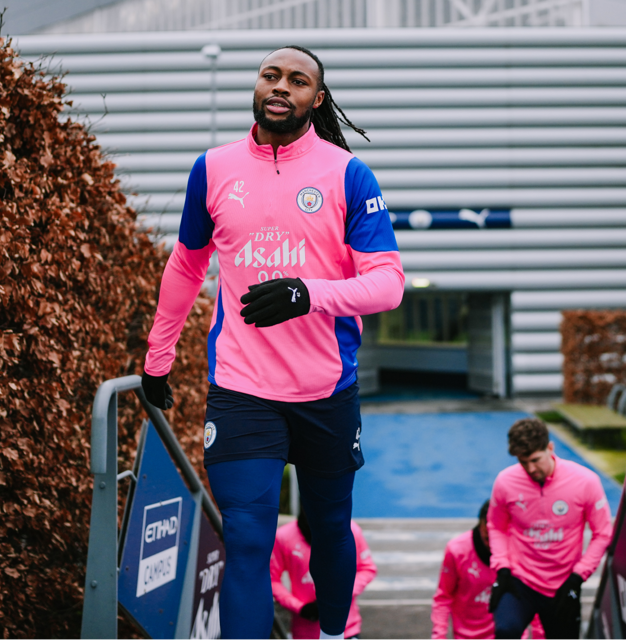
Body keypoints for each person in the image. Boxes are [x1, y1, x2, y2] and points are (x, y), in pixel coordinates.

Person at [140, 44, 403, 640]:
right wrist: (159, 357)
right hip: (241, 389)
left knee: (331, 529)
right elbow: (185, 267)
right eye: (272, 74)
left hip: (325, 388)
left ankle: (334, 635)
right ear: (258, 85)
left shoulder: (347, 174)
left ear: (317, 98)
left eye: (299, 80)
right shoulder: (213, 168)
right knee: (248, 538)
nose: (282, 85)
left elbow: (388, 283)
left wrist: (308, 294)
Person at [487, 418, 612, 640]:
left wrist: (578, 577)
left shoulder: (585, 481)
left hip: (563, 583)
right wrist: (502, 567)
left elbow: (603, 533)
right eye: (523, 462)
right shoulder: (505, 481)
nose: (530, 469)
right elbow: (495, 526)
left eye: (535, 460)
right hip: (520, 580)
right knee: (505, 630)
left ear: (550, 448)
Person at [432, 501, 545, 640]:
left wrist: (539, 636)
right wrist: (439, 636)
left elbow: (535, 597)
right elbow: (443, 598)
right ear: (480, 525)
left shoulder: (521, 549)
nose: (493, 545)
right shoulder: (457, 550)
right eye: (487, 538)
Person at [271, 508, 377, 640]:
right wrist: (300, 607)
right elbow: (272, 580)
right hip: (305, 632)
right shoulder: (283, 536)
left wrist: (341, 594)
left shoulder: (350, 530)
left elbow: (367, 568)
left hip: (347, 629)